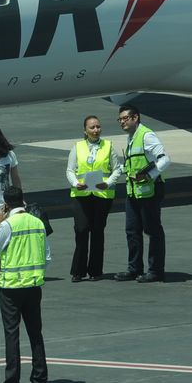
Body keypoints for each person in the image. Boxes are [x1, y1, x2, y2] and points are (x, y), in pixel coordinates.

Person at [0, 186, 50, 383]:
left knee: (12, 334)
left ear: (5, 204)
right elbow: (46, 256)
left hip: (11, 287)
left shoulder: (7, 225)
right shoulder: (37, 222)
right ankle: (40, 378)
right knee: (35, 332)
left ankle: (12, 382)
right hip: (33, 285)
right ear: (23, 201)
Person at [115, 104, 171, 283]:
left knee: (153, 231)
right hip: (134, 192)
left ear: (135, 117)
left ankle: (155, 270)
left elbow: (164, 159)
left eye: (125, 118)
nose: (122, 122)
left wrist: (149, 175)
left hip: (150, 191)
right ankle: (134, 268)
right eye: (120, 119)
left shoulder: (146, 135)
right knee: (132, 230)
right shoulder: (132, 137)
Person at [66, 115, 120, 282]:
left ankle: (95, 270)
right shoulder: (78, 147)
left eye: (98, 127)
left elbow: (116, 169)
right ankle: (78, 270)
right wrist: (75, 183)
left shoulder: (108, 146)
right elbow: (70, 170)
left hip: (101, 194)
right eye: (92, 127)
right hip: (81, 194)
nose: (96, 130)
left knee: (97, 231)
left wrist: (108, 183)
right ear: (85, 130)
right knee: (81, 230)